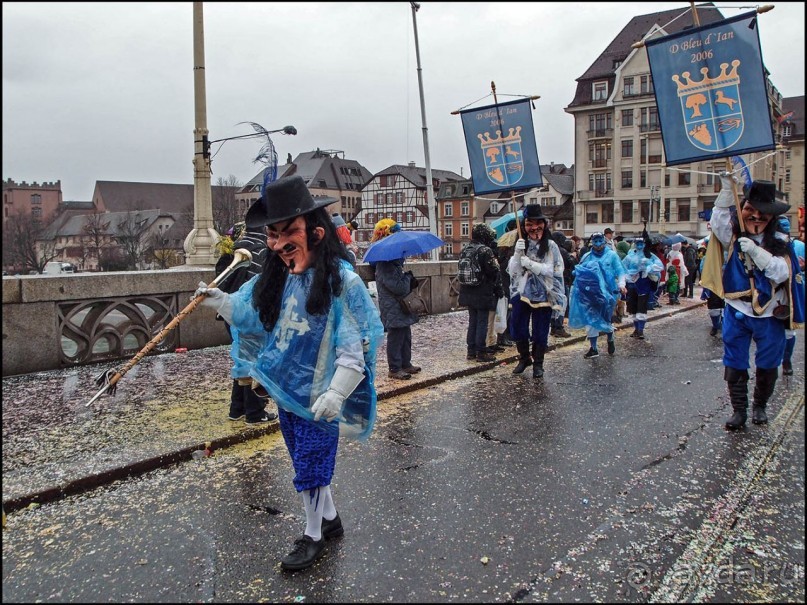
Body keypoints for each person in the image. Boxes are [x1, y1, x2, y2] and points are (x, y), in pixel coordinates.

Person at [194, 175, 385, 570]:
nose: (279, 245)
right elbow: (254, 319)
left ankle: (313, 535)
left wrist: (337, 392)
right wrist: (221, 302)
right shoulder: (280, 278)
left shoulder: (342, 282)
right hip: (286, 389)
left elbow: (355, 346)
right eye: (273, 235)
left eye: (288, 233)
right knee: (303, 460)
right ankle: (329, 520)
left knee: (312, 463)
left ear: (315, 233)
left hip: (319, 393)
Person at [708, 175, 802, 430]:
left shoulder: (782, 243)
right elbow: (718, 221)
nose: (757, 217)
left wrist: (755, 252)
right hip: (738, 310)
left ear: (771, 217)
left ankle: (760, 406)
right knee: (735, 360)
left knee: (768, 362)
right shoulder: (733, 237)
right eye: (751, 211)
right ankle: (739, 410)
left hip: (771, 312)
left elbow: (781, 273)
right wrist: (728, 189)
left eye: (763, 213)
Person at [214, 217, 277, 424]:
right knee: (256, 362)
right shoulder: (262, 251)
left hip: (231, 313)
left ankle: (237, 408)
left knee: (241, 360)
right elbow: (264, 286)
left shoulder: (232, 248)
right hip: (254, 314)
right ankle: (255, 412)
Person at [507, 205, 566, 379]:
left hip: (544, 292)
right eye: (529, 224)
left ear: (544, 224)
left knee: (541, 330)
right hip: (522, 291)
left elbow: (553, 270)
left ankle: (538, 363)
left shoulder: (551, 246)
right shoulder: (521, 244)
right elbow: (513, 271)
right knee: (517, 326)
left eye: (537, 224)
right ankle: (525, 358)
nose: (534, 228)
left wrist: (531, 264)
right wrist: (517, 254)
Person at [371, 218, 422, 380]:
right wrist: (408, 278)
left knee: (405, 334)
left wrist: (405, 276)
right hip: (392, 305)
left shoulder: (393, 263)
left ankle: (406, 363)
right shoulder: (385, 264)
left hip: (398, 305)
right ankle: (394, 368)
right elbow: (398, 287)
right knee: (396, 336)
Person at [569, 232, 627, 357]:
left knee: (607, 318)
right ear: (592, 242)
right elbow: (580, 271)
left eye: (600, 240)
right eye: (595, 240)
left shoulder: (612, 255)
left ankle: (610, 338)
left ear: (604, 241)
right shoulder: (587, 256)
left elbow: (620, 271)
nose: (598, 243)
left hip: (609, 293)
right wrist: (576, 274)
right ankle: (593, 348)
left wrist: (622, 284)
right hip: (591, 293)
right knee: (591, 319)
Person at [459, 223, 503, 362]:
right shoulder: (485, 250)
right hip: (482, 290)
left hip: (467, 290)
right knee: (482, 321)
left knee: (472, 321)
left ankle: (470, 351)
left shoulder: (466, 249)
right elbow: (492, 271)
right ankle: (481, 352)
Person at [777, 216, 805, 376]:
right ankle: (772, 363)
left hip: (789, 291)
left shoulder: (798, 246)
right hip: (769, 292)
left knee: (788, 329)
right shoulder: (767, 245)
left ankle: (786, 361)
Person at [621, 232, 663, 339]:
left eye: (641, 243)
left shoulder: (649, 255)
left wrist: (649, 267)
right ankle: (636, 329)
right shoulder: (630, 256)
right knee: (633, 307)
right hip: (632, 284)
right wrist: (627, 276)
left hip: (644, 284)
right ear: (635, 244)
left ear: (644, 244)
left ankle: (640, 330)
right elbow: (622, 267)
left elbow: (660, 266)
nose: (639, 245)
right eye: (637, 243)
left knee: (642, 307)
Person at [550, 231, 574, 337]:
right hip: (561, 280)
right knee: (561, 304)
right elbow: (570, 263)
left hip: (551, 282)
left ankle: (553, 327)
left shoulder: (549, 249)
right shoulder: (562, 251)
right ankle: (558, 327)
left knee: (553, 305)